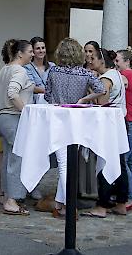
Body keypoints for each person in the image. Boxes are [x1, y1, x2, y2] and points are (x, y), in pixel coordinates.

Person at [45, 38, 105, 218]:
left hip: (58, 119)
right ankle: (60, 204)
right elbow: (101, 89)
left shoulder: (53, 71)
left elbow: (48, 96)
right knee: (71, 163)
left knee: (63, 163)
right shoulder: (84, 73)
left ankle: (69, 207)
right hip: (78, 120)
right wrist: (84, 100)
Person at [81, 48, 130, 218]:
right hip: (119, 121)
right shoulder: (116, 74)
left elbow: (102, 102)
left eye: (93, 57)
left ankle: (102, 205)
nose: (89, 60)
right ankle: (121, 202)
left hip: (109, 124)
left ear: (102, 61)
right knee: (120, 163)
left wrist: (88, 95)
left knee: (104, 161)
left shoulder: (105, 78)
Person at [0, 40, 35, 216]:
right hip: (13, 118)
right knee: (17, 158)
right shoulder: (19, 70)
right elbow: (12, 92)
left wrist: (2, 107)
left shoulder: (4, 70)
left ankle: (10, 196)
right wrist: (25, 111)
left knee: (9, 157)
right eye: (30, 51)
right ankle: (12, 200)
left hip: (2, 118)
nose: (32, 54)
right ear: (20, 54)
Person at [114, 48, 132, 211]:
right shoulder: (131, 74)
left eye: (118, 60)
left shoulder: (128, 74)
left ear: (127, 61)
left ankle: (130, 196)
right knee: (131, 161)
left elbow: (119, 84)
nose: (115, 64)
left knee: (123, 160)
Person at [0, 39, 15, 206]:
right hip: (9, 114)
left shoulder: (2, 71)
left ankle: (0, 191)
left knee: (1, 155)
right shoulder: (14, 71)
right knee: (5, 155)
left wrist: (0, 100)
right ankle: (4, 192)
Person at [24, 36, 55, 102]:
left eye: (43, 48)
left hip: (51, 102)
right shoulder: (27, 67)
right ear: (32, 51)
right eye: (38, 48)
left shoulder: (52, 66)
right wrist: (49, 91)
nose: (41, 51)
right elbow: (31, 87)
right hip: (35, 103)